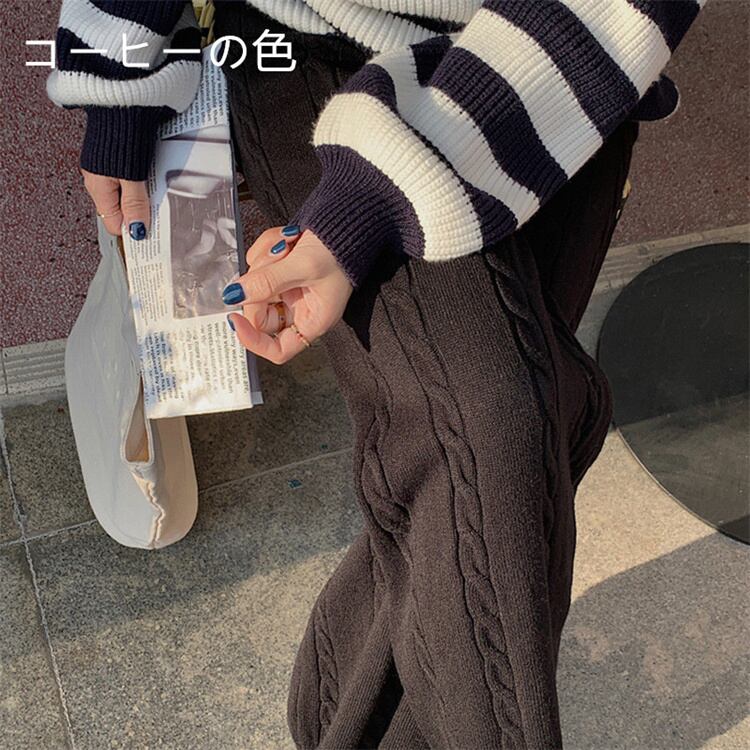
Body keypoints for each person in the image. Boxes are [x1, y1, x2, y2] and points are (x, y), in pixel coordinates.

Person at [47, 1, 706, 746]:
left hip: (568, 63)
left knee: (514, 449)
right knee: (494, 429)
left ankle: (331, 711)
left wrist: (372, 200)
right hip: (317, 45)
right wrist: (118, 75)